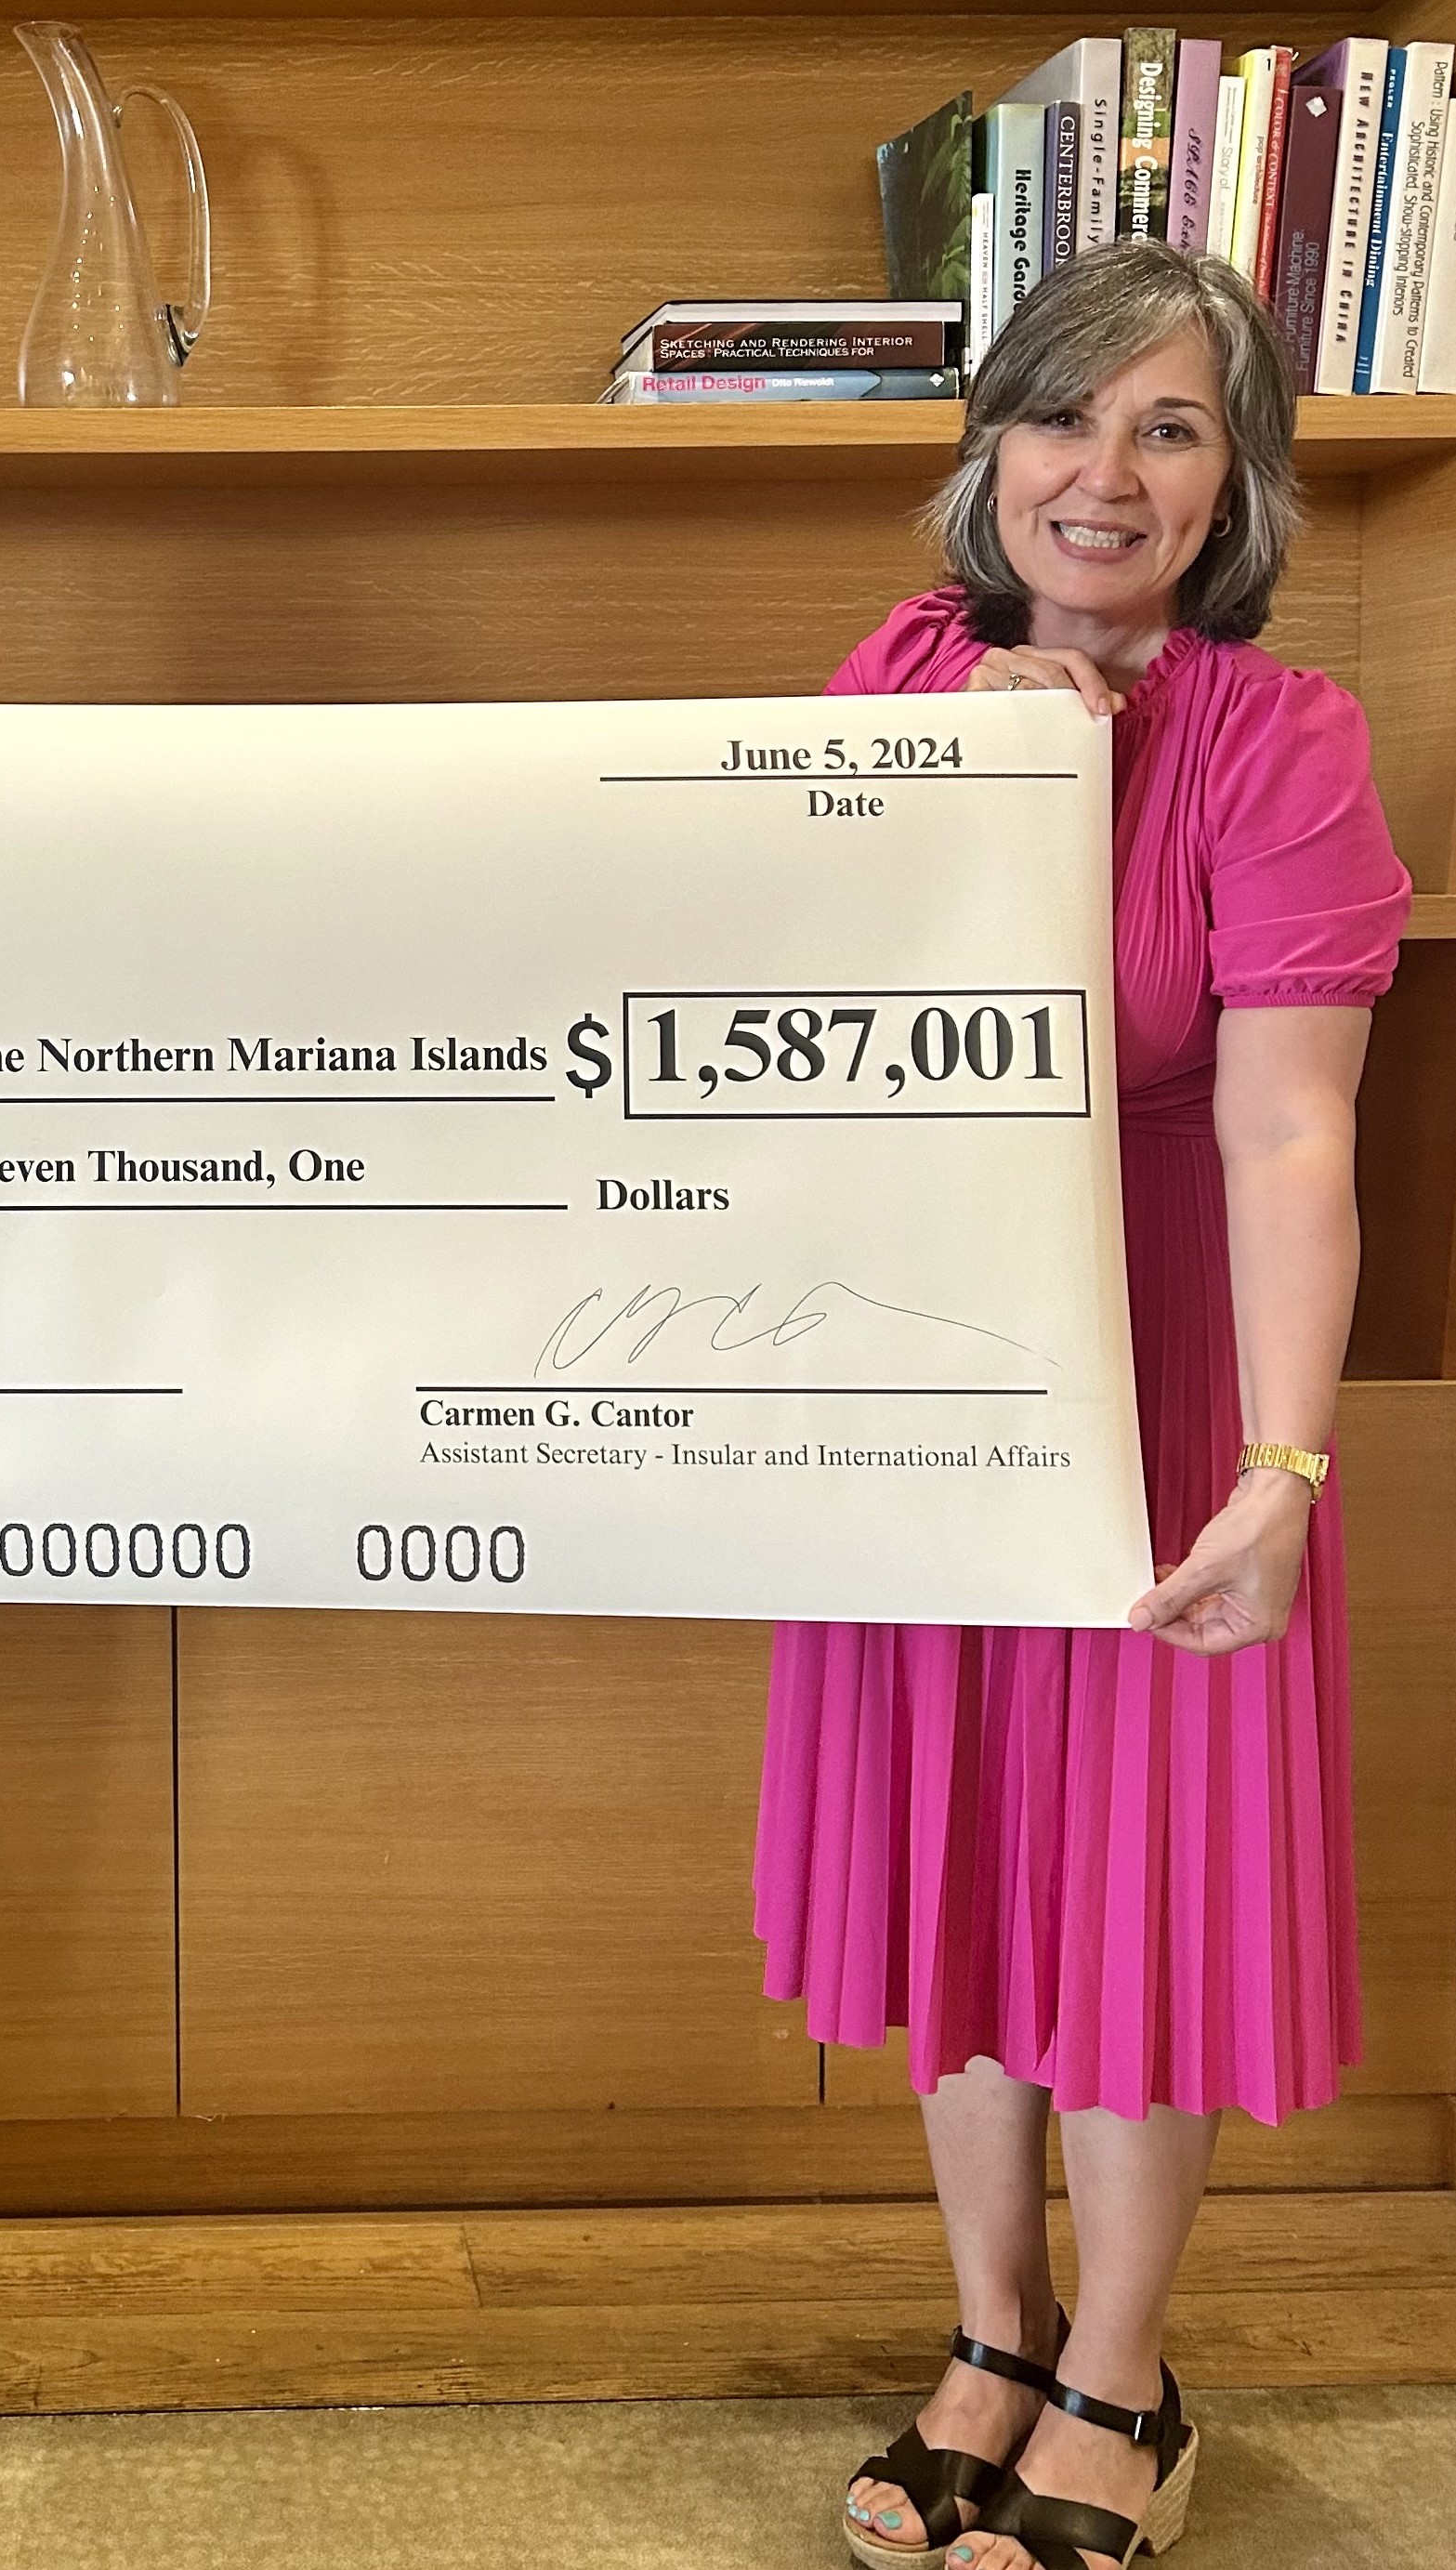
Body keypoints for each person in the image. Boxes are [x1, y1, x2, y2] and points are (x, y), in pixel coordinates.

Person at [754, 240, 1410, 2570]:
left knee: (1138, 1887)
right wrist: (977, 773)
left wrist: (1281, 1471)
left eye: (1169, 427)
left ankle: (1122, 2377)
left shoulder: (1279, 738)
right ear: (990, 451)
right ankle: (991, 2335)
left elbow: (1288, 1132)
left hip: (1171, 1367)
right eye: (1060, 415)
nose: (1101, 473)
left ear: (1234, 489)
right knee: (957, 1866)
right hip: (929, 1364)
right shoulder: (894, 684)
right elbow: (781, 1025)